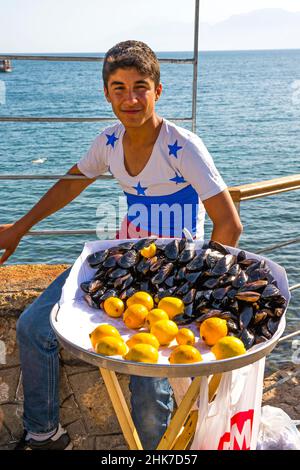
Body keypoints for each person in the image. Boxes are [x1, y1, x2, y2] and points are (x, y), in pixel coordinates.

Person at [0, 40, 243, 450]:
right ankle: (43, 433)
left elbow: (228, 225)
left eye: (140, 86)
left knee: (147, 378)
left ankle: (157, 451)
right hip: (123, 261)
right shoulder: (109, 142)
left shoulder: (182, 145)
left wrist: (202, 289)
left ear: (158, 90)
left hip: (173, 274)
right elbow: (70, 185)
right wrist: (19, 228)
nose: (130, 98)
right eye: (118, 87)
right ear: (107, 93)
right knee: (34, 326)